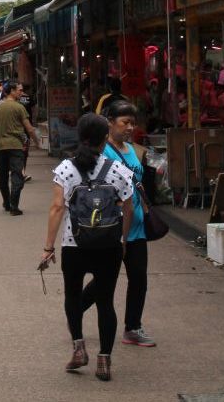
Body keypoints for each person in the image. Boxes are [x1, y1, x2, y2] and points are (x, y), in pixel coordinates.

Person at [39, 113, 133, 382]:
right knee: (105, 302)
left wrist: (48, 247)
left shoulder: (65, 170)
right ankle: (104, 360)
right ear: (106, 139)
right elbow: (129, 210)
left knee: (72, 296)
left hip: (74, 244)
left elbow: (57, 208)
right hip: (109, 246)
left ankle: (79, 348)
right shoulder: (118, 170)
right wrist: (123, 240)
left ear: (81, 137)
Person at [81, 100, 156, 347]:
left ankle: (132, 327)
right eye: (125, 122)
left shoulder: (130, 149)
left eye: (133, 123)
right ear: (110, 123)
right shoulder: (103, 151)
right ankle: (77, 307)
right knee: (105, 277)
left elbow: (136, 180)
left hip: (136, 225)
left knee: (138, 277)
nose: (130, 128)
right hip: (111, 225)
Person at [0, 80, 40, 215]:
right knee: (17, 175)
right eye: (19, 90)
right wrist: (37, 142)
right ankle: (14, 205)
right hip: (16, 146)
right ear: (11, 91)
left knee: (3, 175)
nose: (21, 93)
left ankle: (6, 202)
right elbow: (29, 129)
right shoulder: (19, 107)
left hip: (1, 147)